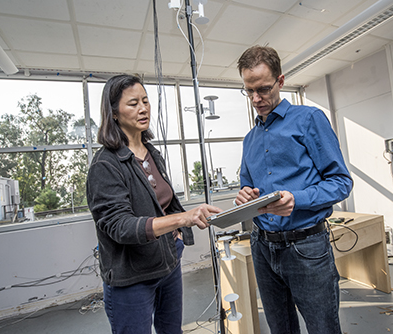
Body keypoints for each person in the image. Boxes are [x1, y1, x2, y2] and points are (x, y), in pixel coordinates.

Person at [86, 74, 222, 334]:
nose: (143, 108)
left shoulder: (152, 153)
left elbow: (165, 200)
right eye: (133, 103)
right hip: (132, 278)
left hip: (168, 264)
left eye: (146, 101)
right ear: (114, 113)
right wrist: (183, 219)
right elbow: (120, 226)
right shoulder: (106, 164)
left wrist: (178, 236)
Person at [235, 45, 353, 334]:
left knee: (322, 327)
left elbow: (341, 182)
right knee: (280, 328)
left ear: (281, 81)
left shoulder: (309, 119)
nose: (256, 99)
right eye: (248, 91)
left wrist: (296, 199)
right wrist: (245, 195)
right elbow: (246, 184)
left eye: (263, 89)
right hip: (262, 246)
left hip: (306, 247)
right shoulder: (250, 139)